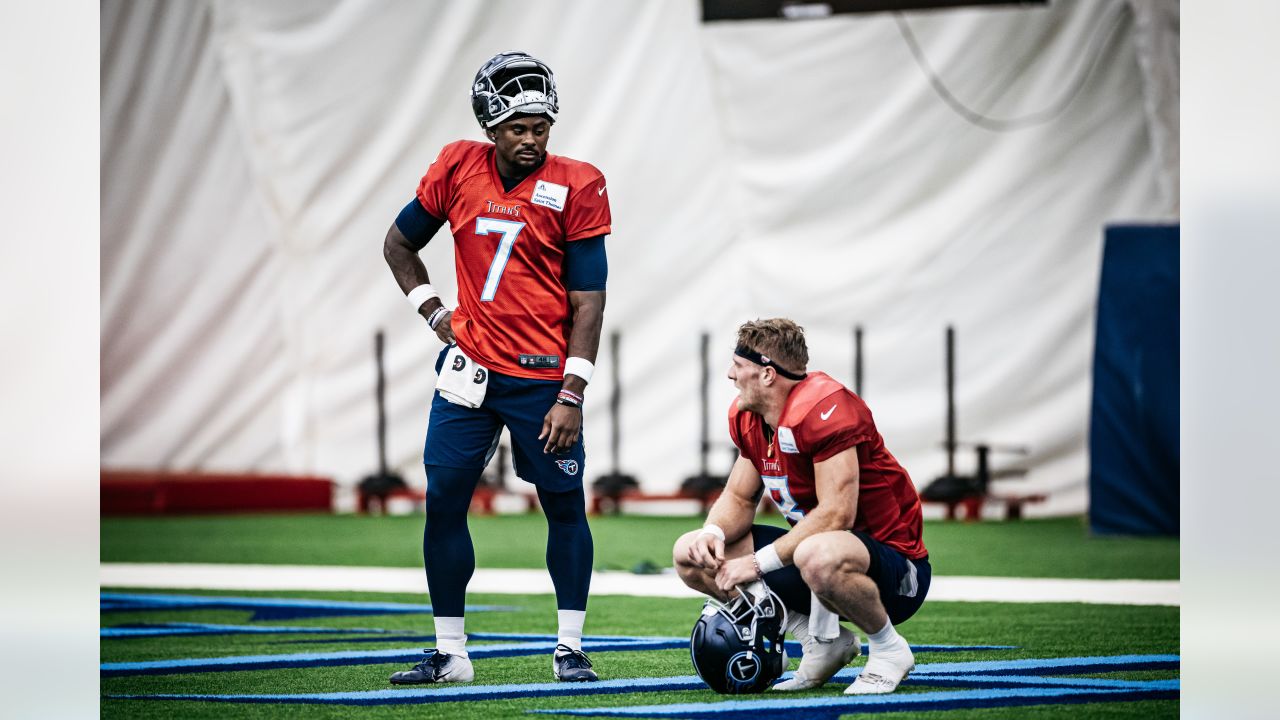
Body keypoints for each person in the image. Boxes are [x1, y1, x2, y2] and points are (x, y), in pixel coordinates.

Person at [381, 51, 610, 685]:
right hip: (469, 370)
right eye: (518, 128)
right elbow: (399, 243)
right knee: (444, 504)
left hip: (541, 378)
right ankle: (451, 654)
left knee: (564, 506)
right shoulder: (457, 164)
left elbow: (588, 300)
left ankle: (569, 647)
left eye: (540, 127)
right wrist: (434, 313)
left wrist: (574, 389)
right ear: (490, 126)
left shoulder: (579, 181)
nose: (532, 139)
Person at [673, 318, 930, 694]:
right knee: (690, 553)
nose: (730, 375)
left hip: (895, 571)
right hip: (817, 564)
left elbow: (836, 513)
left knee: (816, 552)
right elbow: (740, 496)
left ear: (767, 374)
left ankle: (889, 648)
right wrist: (712, 532)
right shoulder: (751, 418)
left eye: (739, 366)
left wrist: (757, 563)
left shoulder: (825, 410)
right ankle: (821, 642)